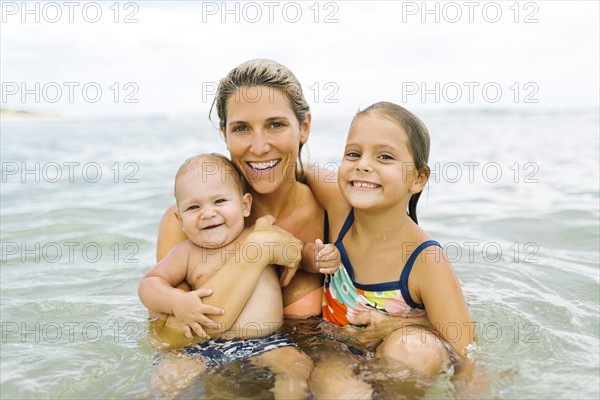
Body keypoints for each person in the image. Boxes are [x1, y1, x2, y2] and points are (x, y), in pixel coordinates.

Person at [153, 59, 336, 342]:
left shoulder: (332, 210)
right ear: (224, 134)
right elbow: (170, 339)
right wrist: (258, 249)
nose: (260, 147)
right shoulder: (188, 223)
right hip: (222, 377)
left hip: (306, 374)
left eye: (275, 124)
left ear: (304, 127)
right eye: (241, 128)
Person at [307, 102, 480, 398]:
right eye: (353, 153)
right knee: (339, 390)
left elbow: (467, 353)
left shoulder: (425, 259)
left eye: (384, 157)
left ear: (418, 178)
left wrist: (392, 326)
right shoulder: (340, 211)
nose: (363, 164)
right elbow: (287, 169)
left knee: (412, 350)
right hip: (341, 351)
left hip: (404, 349)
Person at [139, 154, 312, 399]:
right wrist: (176, 302)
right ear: (180, 219)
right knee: (169, 380)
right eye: (193, 207)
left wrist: (318, 255)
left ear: (245, 205)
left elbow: (296, 252)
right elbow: (149, 284)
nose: (208, 213)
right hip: (203, 347)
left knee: (297, 366)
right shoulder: (186, 253)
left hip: (267, 343)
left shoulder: (260, 233)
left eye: (219, 201)